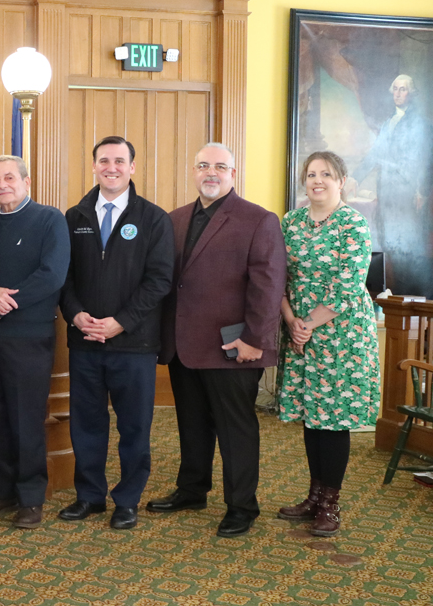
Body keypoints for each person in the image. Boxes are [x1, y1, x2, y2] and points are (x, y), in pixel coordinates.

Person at [146, 144, 287, 538]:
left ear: (233, 173)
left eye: (220, 166)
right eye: (204, 165)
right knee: (191, 423)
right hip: (182, 345)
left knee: (235, 429)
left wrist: (254, 340)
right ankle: (192, 490)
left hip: (234, 347)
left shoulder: (259, 219)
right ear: (194, 171)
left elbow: (269, 284)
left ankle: (242, 506)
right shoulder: (174, 219)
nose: (211, 172)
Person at [58, 136, 173, 530]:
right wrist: (75, 316)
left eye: (120, 161)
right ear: (94, 166)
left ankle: (127, 500)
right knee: (86, 424)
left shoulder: (154, 219)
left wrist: (121, 321)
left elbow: (159, 281)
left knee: (134, 427)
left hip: (134, 344)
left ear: (132, 167)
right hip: (85, 342)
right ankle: (89, 496)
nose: (112, 167)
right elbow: (64, 277)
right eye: (104, 160)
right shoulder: (74, 217)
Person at [277, 151, 380, 537]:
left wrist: (307, 324)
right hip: (300, 329)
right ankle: (314, 497)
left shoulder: (353, 223)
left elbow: (348, 285)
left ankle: (330, 504)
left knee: (333, 419)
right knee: (312, 415)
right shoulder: (291, 222)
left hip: (342, 334)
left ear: (342, 181)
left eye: (326, 174)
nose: (317, 180)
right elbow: (277, 277)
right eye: (311, 174)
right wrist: (292, 320)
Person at [0, 155, 69, 530]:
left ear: (27, 182)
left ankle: (30, 497)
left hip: (29, 336)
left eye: (9, 178)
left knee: (26, 419)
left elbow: (52, 275)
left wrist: (5, 303)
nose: (2, 185)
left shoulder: (50, 219)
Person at [348, 74, 433, 298]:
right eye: (395, 88)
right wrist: (355, 178)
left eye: (403, 89)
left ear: (411, 93)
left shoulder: (422, 124)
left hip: (407, 197)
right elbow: (375, 154)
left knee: (409, 252)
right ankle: (399, 302)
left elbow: (428, 161)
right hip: (387, 197)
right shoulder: (389, 123)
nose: (398, 93)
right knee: (391, 248)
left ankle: (414, 302)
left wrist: (422, 192)